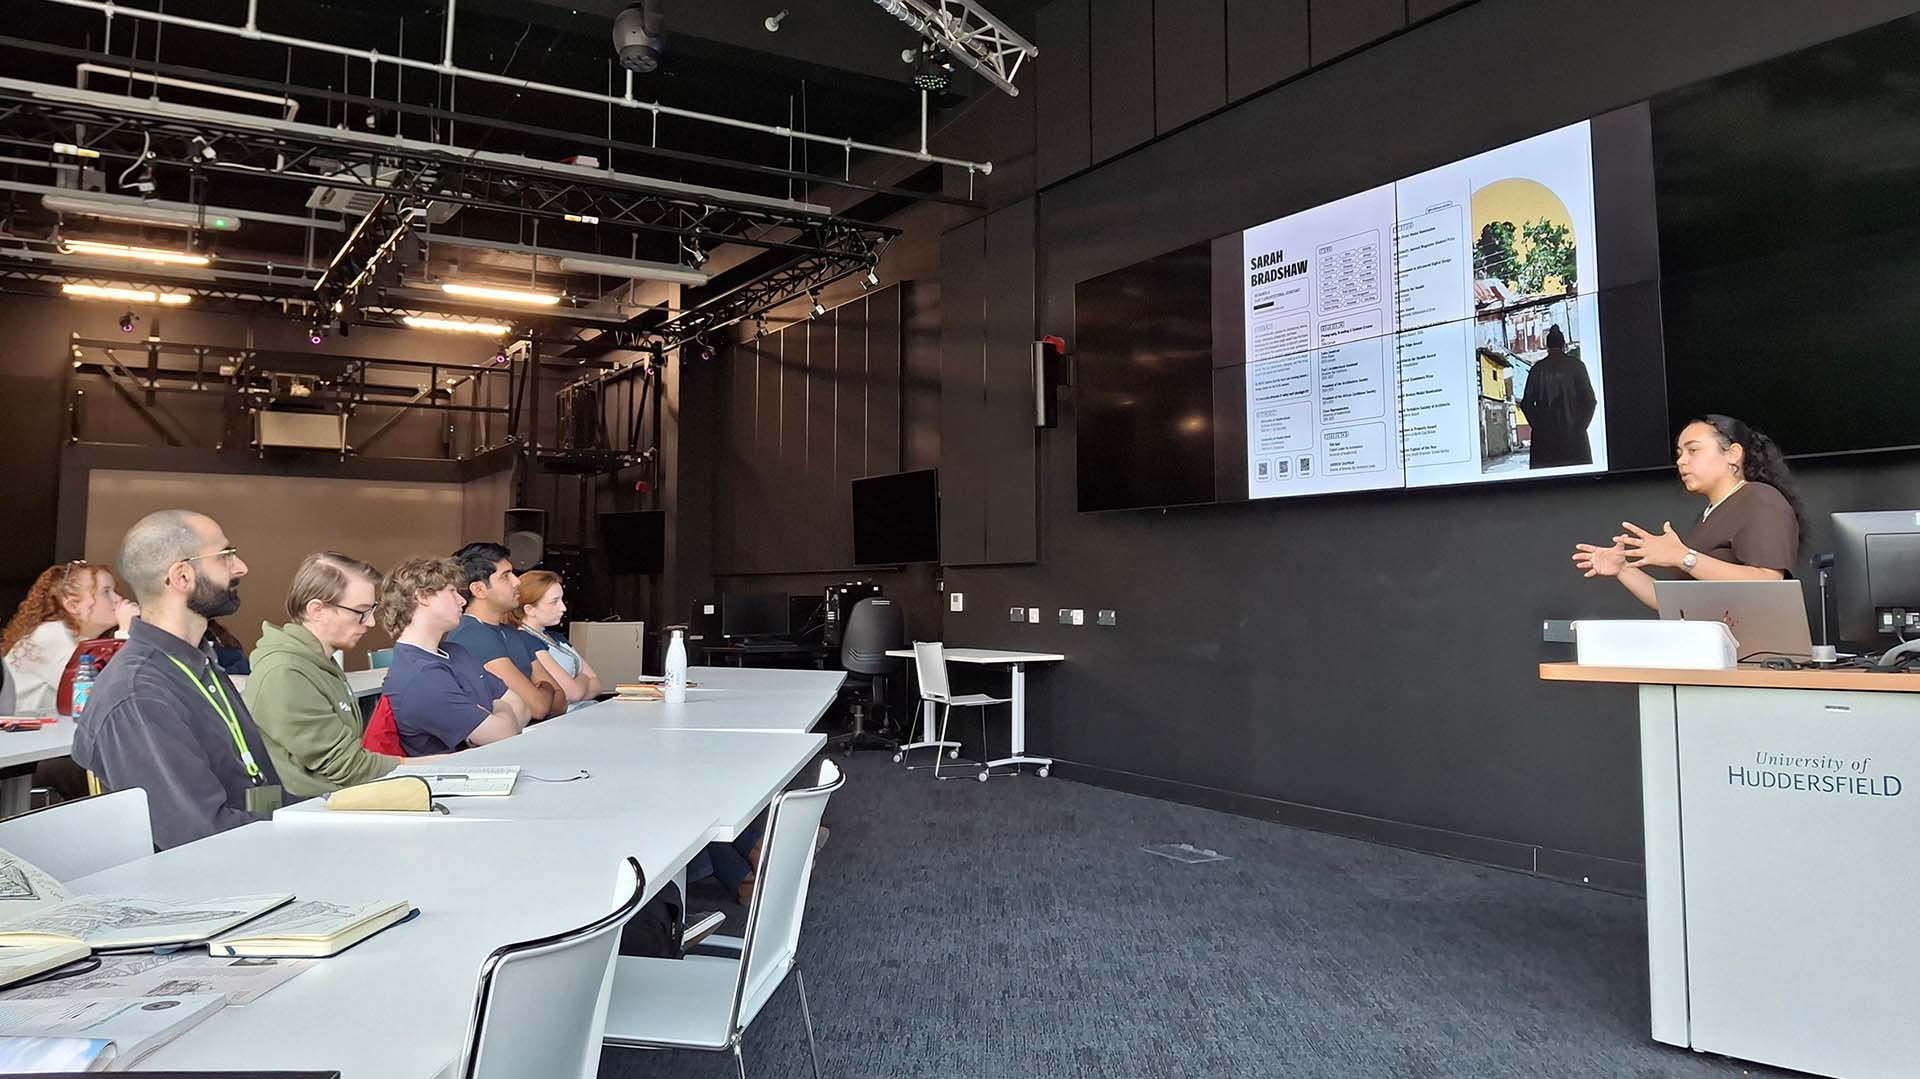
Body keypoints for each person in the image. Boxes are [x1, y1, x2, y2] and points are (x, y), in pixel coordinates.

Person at [71, 510, 284, 850]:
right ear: (182, 576)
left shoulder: (200, 665)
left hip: (262, 858)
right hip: (224, 884)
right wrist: (316, 832)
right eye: (225, 556)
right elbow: (200, 837)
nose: (240, 567)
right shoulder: (139, 695)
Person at [245, 552, 437, 798]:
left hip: (332, 804)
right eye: (360, 611)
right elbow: (348, 767)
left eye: (371, 610)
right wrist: (438, 766)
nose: (369, 623)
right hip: (311, 813)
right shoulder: (286, 672)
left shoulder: (316, 662)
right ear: (317, 610)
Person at [1573, 414, 1806, 610]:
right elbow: (1677, 604)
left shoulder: (1760, 499)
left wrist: (1684, 558)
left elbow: (1769, 585)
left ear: (1733, 454)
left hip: (1757, 657)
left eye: (1693, 450)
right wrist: (1622, 569)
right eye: (1679, 454)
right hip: (1711, 654)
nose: (1681, 461)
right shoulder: (1708, 515)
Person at [378, 555, 530, 756]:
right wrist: (498, 708)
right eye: (451, 592)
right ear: (422, 597)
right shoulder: (419, 677)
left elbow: (522, 707)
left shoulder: (456, 652)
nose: (462, 600)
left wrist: (495, 715)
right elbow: (503, 734)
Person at [444, 542, 566, 720]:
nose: (517, 582)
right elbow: (538, 708)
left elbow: (561, 702)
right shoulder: (472, 635)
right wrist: (545, 687)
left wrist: (541, 693)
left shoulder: (512, 632)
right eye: (506, 576)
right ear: (479, 590)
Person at [1, 561, 136, 716]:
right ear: (72, 606)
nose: (118, 598)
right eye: (106, 592)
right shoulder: (50, 635)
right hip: (20, 735)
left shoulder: (83, 640)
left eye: (115, 590)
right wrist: (125, 633)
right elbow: (100, 695)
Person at [506, 570, 603, 706]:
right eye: (554, 602)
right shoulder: (525, 640)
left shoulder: (556, 637)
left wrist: (579, 684)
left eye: (562, 600)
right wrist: (584, 677)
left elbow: (597, 684)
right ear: (530, 609)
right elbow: (572, 693)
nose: (563, 608)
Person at [1519, 325, 1597, 469]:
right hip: (1574, 441)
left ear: (1547, 346)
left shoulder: (1537, 369)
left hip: (1544, 443)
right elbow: (1590, 401)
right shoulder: (1577, 366)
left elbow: (1526, 404)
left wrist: (1539, 427)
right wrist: (1579, 428)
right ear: (1563, 345)